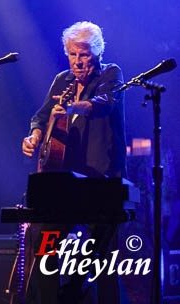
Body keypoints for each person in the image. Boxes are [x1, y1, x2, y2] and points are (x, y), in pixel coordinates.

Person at [21, 21, 126, 303]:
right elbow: (41, 117)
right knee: (44, 241)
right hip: (66, 182)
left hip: (103, 179)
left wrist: (72, 106)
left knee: (103, 261)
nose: (78, 62)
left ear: (97, 53)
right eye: (72, 54)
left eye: (84, 55)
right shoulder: (62, 80)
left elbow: (105, 103)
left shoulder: (111, 74)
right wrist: (34, 136)